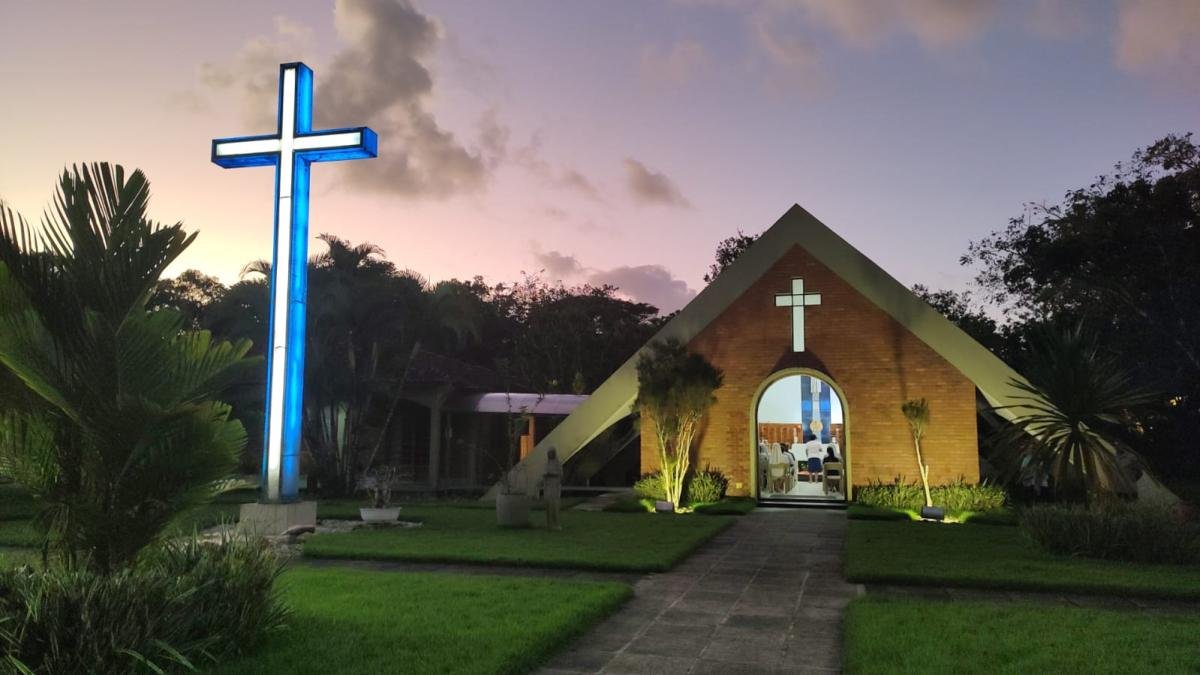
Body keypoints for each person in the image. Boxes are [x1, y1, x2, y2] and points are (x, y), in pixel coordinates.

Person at [543, 447, 563, 530]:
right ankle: (549, 524)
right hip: (547, 487)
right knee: (548, 506)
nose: (549, 455)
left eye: (550, 453)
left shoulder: (557, 463)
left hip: (555, 488)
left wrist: (551, 475)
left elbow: (560, 474)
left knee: (554, 506)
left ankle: (556, 524)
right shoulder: (547, 463)